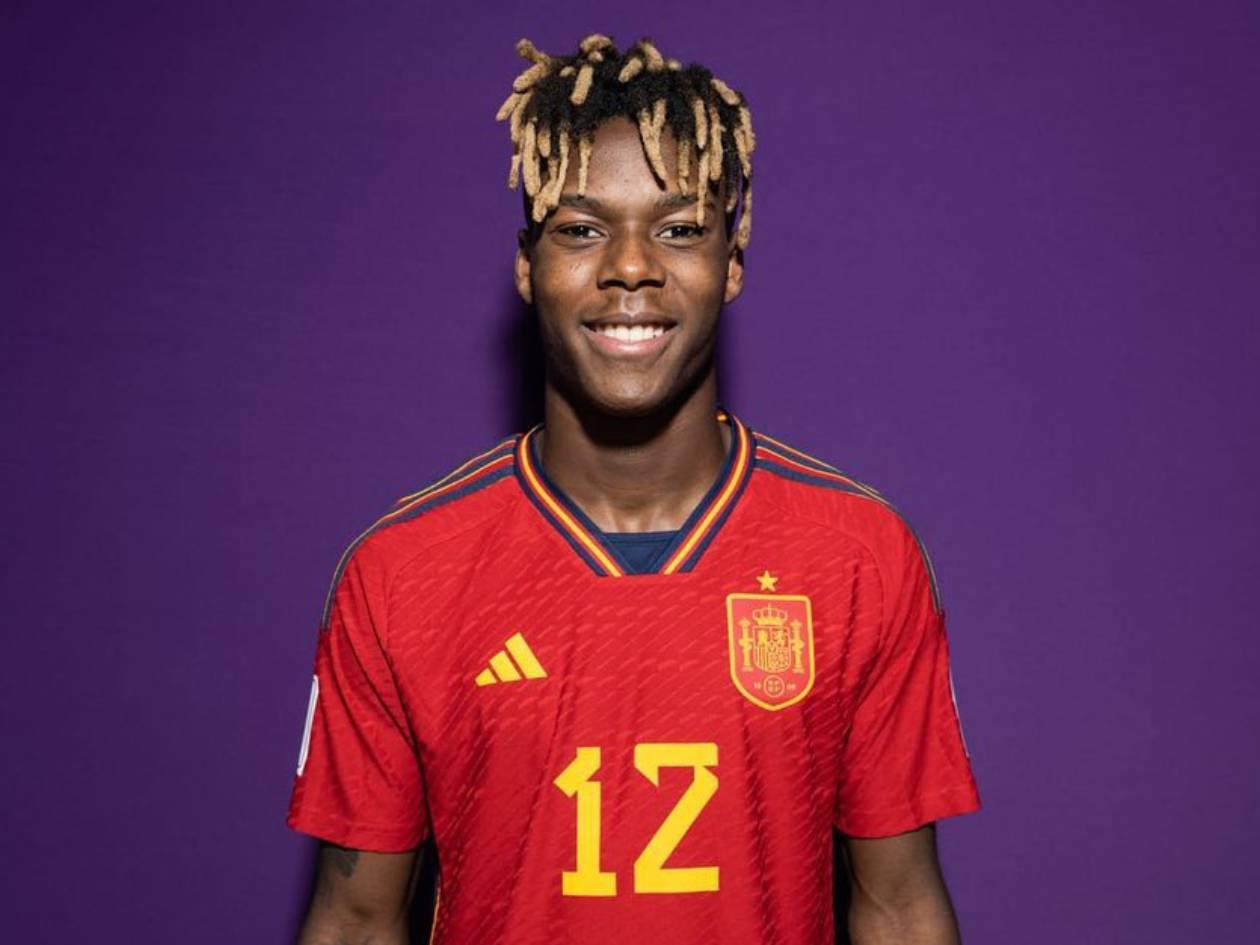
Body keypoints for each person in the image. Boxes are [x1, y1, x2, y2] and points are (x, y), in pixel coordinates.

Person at [286, 33, 981, 945]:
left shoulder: (857, 556)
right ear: (527, 266)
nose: (630, 265)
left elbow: (898, 907)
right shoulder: (402, 573)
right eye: (581, 229)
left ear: (732, 263)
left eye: (679, 228)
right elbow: (355, 920)